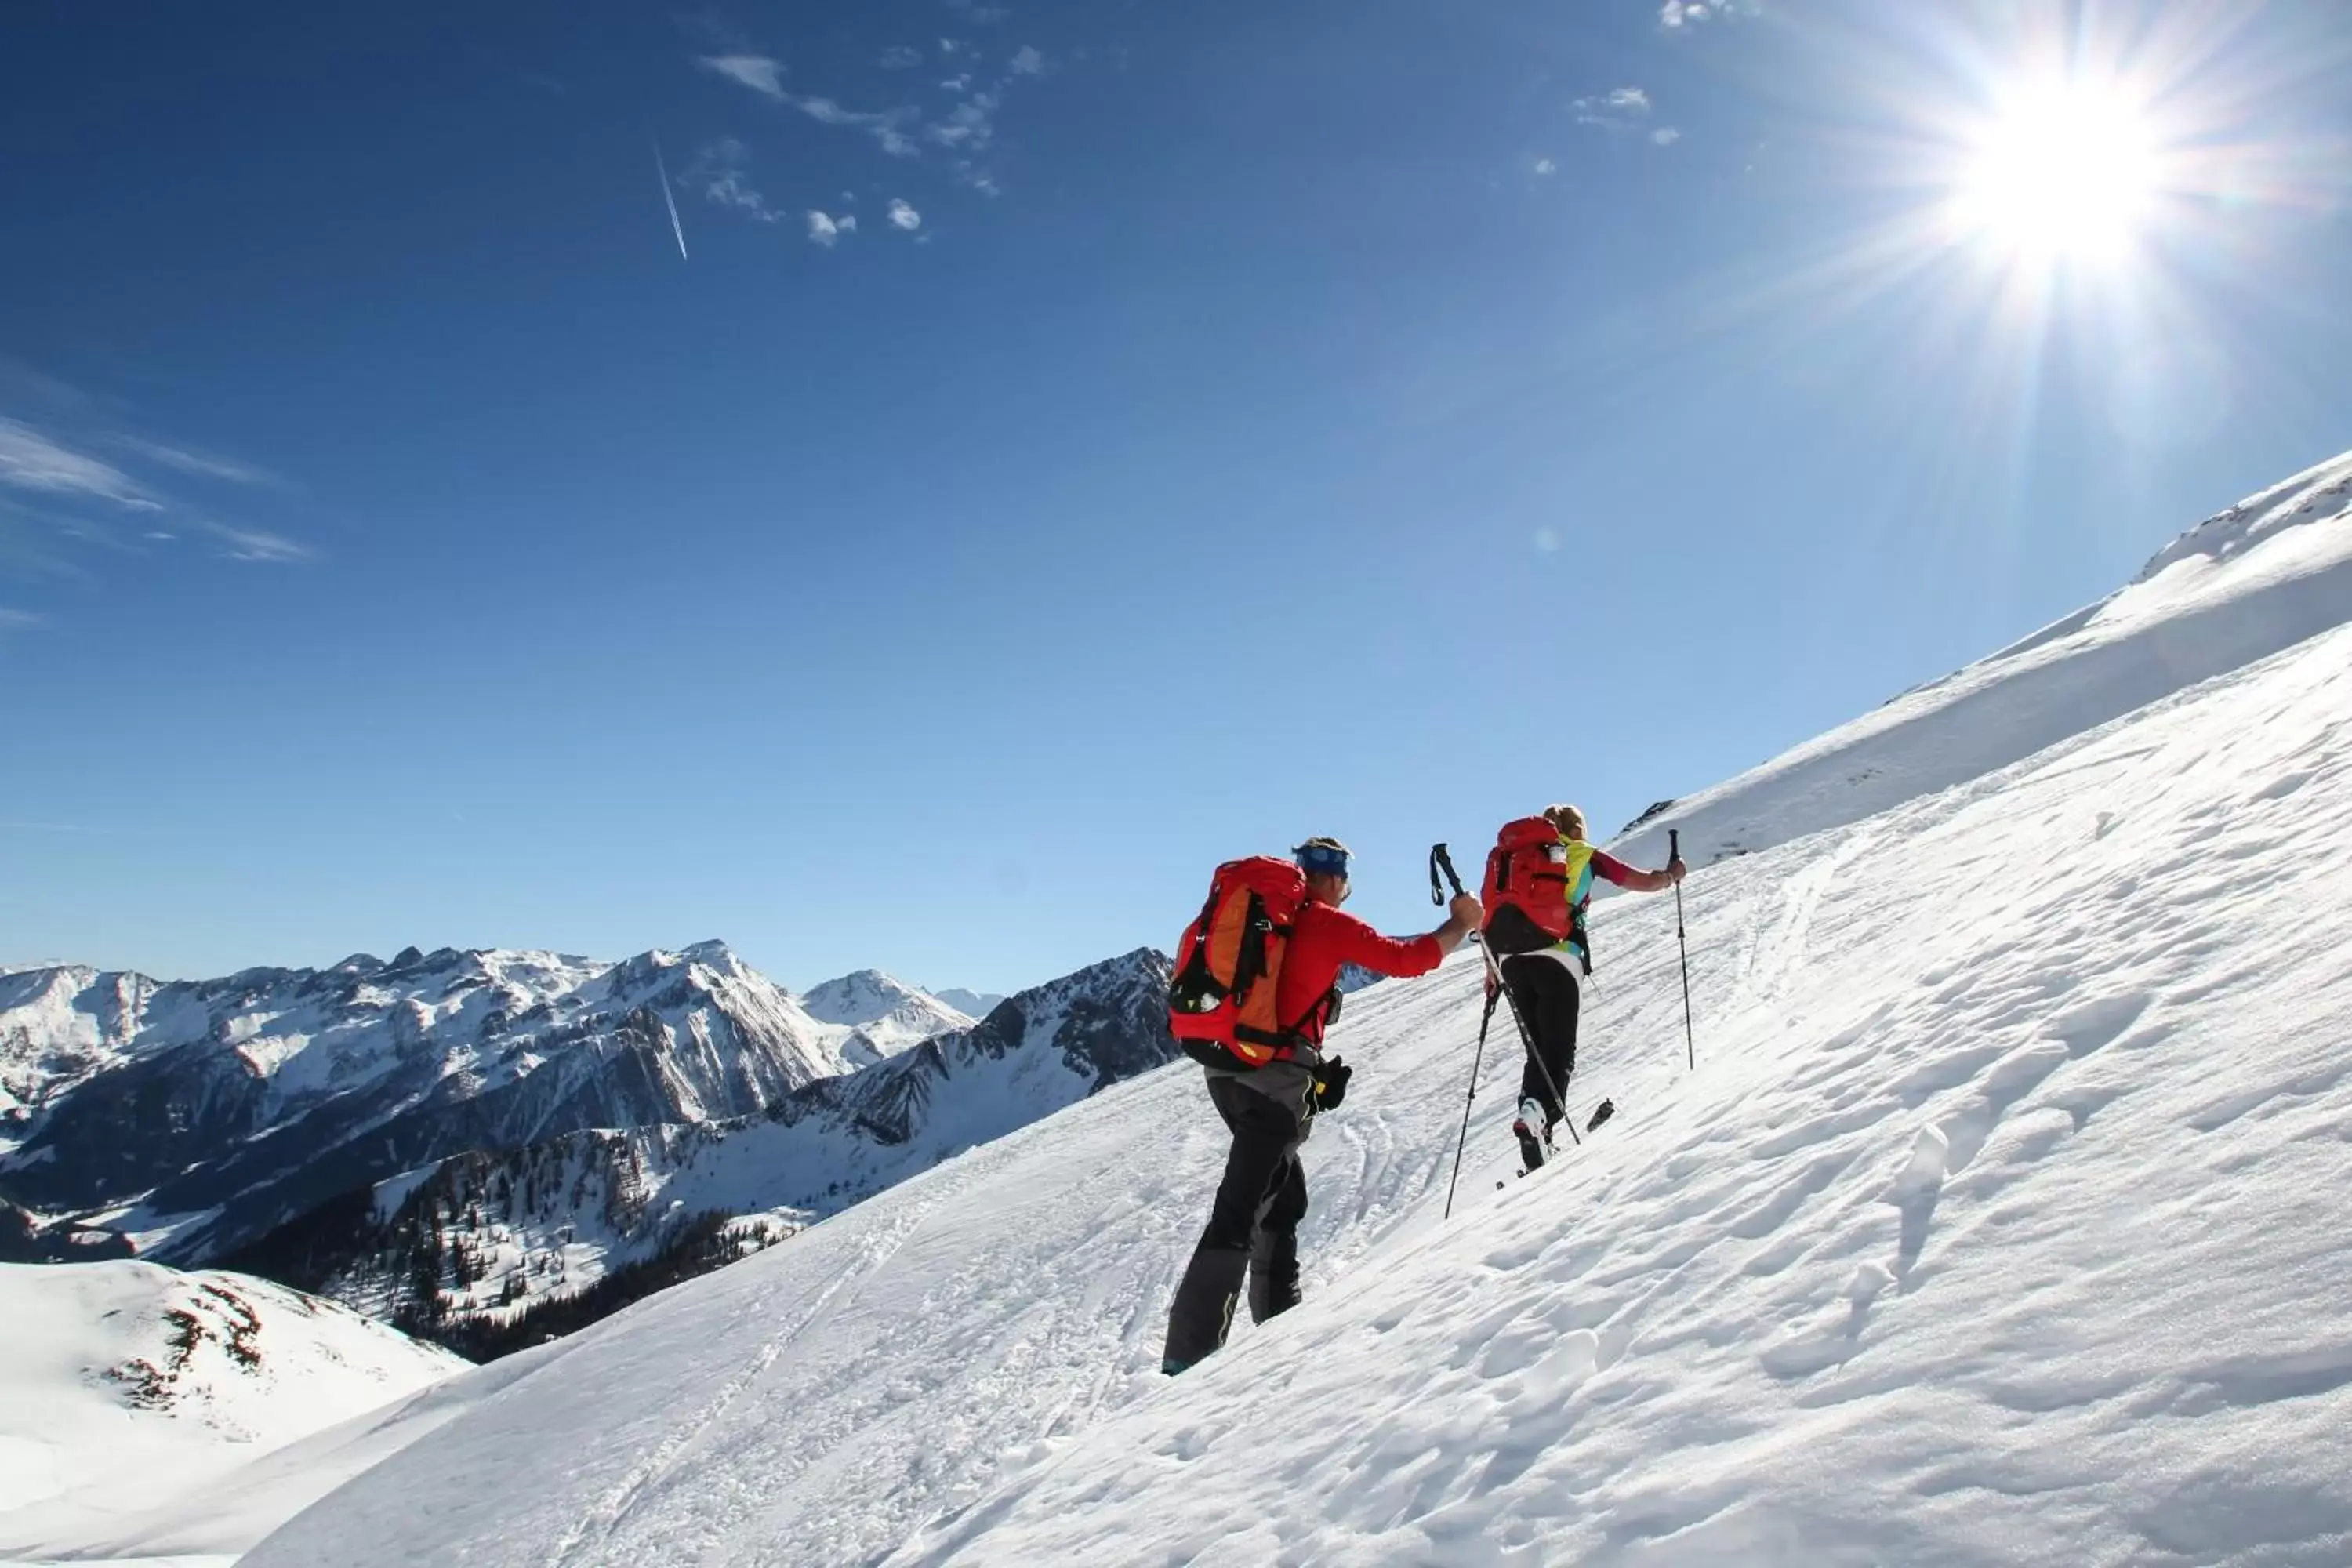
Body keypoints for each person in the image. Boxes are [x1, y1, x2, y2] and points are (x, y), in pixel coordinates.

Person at [1161, 836, 1482, 1376]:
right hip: (1273, 1088)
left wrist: (1308, 1080)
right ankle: (1187, 1359)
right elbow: (1409, 960)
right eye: (1346, 880)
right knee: (1239, 1212)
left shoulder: (1251, 922)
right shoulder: (1326, 923)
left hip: (1228, 1074)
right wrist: (1462, 922)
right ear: (1332, 879)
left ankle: (1279, 1323)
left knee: (1283, 1199)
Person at [1480, 804, 1684, 1170]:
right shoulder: (1583, 854)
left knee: (1537, 1052)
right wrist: (1671, 877)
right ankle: (1539, 1121)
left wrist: (1491, 971)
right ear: (1578, 829)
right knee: (1559, 1051)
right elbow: (1639, 880)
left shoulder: (1514, 863)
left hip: (1510, 961)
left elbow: (1492, 914)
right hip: (1558, 959)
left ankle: (1537, 1130)